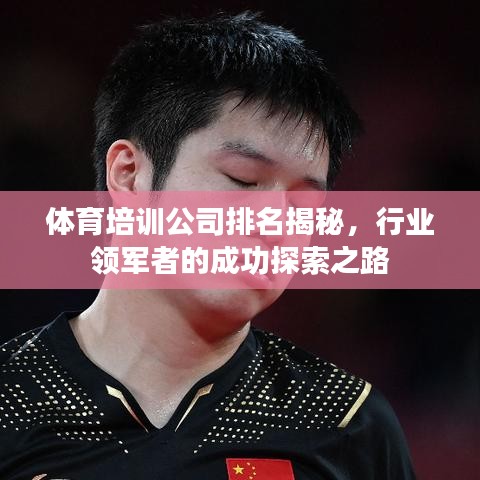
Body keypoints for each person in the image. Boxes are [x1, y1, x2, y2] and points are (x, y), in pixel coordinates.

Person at [0, 12, 416, 479]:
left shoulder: (347, 425)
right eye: (243, 179)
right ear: (129, 175)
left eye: (304, 203)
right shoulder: (11, 400)